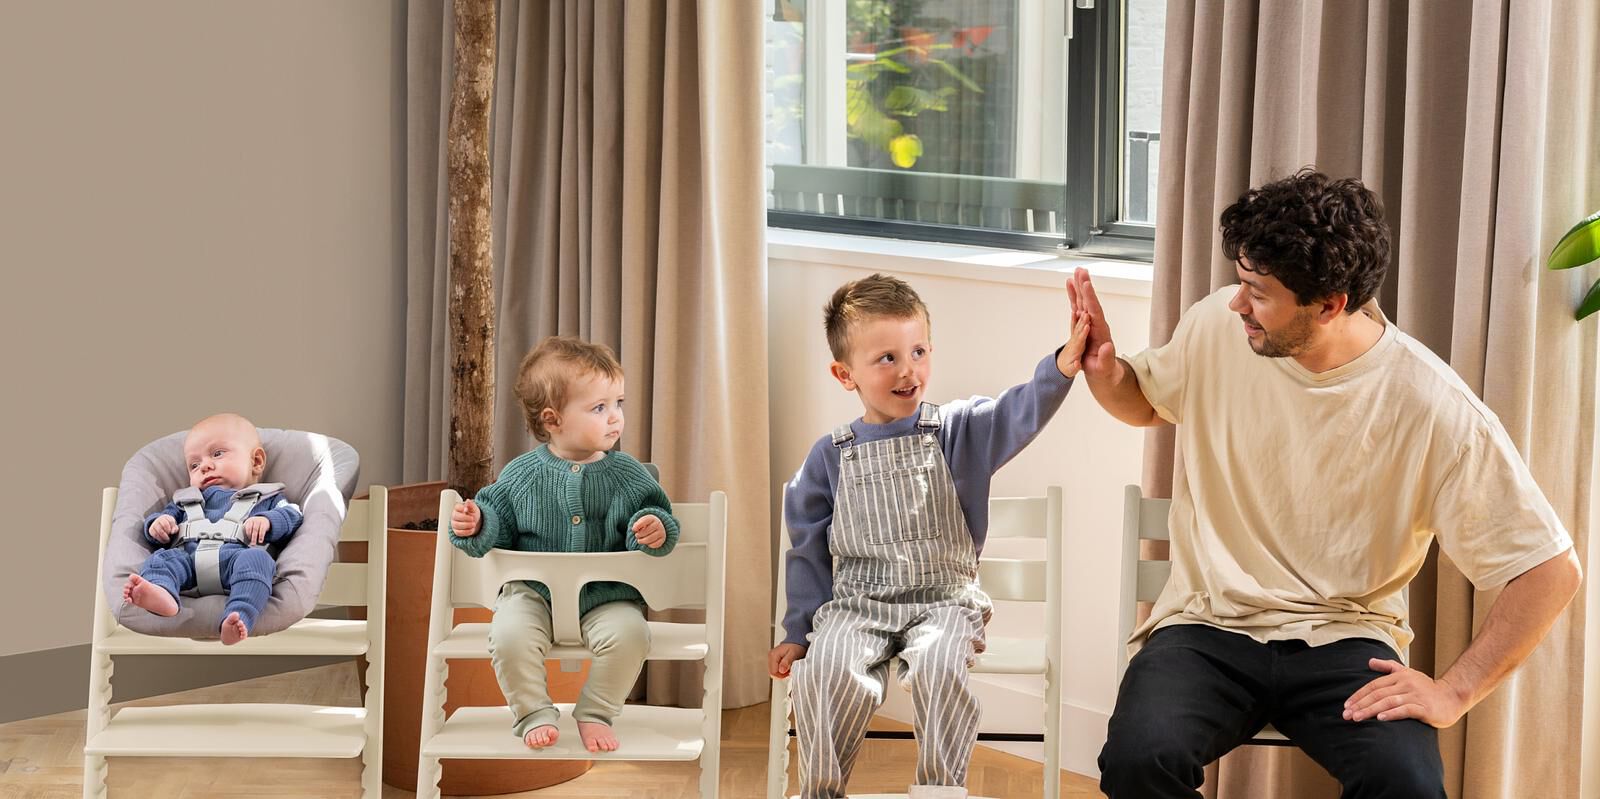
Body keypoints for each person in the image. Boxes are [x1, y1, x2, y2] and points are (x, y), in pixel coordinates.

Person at [1071, 169, 1583, 797]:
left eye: (1257, 292)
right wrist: (1105, 369)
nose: (1237, 303)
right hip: (1207, 625)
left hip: (1344, 635)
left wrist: (1454, 690)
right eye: (1240, 282)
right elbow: (1148, 403)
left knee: (1407, 784)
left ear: (1331, 303)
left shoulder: (1433, 406)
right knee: (1137, 761)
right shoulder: (1219, 327)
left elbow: (1549, 570)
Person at [769, 273, 1089, 799]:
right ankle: (820, 792)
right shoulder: (828, 458)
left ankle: (940, 791)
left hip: (943, 603)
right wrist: (798, 631)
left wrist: (1061, 367)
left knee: (942, 668)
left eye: (918, 351)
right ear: (844, 374)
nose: (908, 370)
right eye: (887, 358)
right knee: (825, 671)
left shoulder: (959, 430)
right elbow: (807, 552)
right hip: (858, 606)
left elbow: (1018, 410)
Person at [448, 335, 677, 754]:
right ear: (553, 420)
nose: (615, 418)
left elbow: (657, 515)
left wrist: (653, 528)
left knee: (632, 635)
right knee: (508, 634)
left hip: (606, 597)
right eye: (599, 407)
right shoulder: (522, 474)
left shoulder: (627, 473)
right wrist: (477, 522)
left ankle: (596, 710)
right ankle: (533, 710)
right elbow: (495, 520)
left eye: (618, 404)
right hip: (532, 595)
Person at [123, 413, 303, 646]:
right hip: (188, 560)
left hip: (237, 559)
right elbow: (161, 523)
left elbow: (293, 516)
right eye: (194, 465)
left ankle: (238, 617)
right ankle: (162, 594)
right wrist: (157, 525)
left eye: (217, 454)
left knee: (259, 561)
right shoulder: (185, 499)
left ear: (256, 461)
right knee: (161, 559)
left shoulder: (268, 497)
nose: (205, 466)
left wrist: (269, 521)